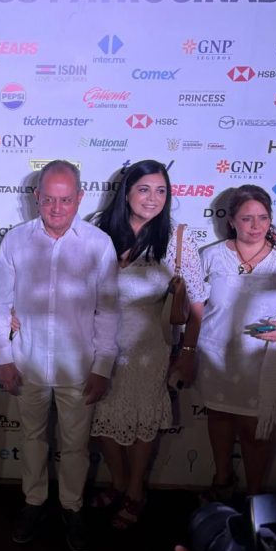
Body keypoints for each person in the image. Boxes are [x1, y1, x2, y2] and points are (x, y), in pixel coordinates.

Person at [0, 160, 119, 551]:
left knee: (76, 445)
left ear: (80, 197)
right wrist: (3, 357)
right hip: (27, 361)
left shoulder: (99, 244)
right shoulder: (15, 241)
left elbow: (108, 311)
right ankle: (33, 502)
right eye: (48, 199)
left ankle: (72, 508)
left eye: (65, 200)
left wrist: (102, 366)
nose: (56, 208)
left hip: (78, 366)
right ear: (36, 197)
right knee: (32, 439)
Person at [89, 160, 205, 529]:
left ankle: (135, 490)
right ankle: (118, 482)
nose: (152, 198)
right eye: (144, 189)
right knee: (100, 418)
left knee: (141, 422)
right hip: (98, 346)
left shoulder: (176, 240)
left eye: (161, 191)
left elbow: (197, 306)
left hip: (147, 352)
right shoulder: (97, 230)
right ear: (126, 193)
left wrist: (188, 353)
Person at [197, 185, 276, 498]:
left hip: (262, 363)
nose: (256, 226)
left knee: (257, 434)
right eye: (247, 218)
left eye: (263, 217)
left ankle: (255, 497)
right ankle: (221, 483)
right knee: (219, 421)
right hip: (215, 358)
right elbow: (194, 306)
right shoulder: (211, 256)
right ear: (231, 221)